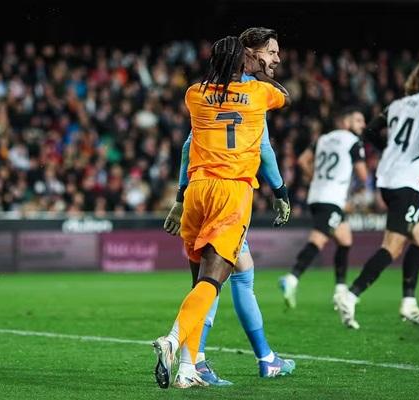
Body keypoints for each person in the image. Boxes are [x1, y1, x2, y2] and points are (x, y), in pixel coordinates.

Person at [153, 35, 291, 390]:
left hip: (196, 191)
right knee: (211, 283)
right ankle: (176, 341)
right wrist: (280, 191)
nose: (276, 58)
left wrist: (180, 198)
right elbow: (278, 112)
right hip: (231, 194)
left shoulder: (194, 94)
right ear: (249, 56)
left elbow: (188, 145)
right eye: (271, 53)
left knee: (237, 272)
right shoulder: (259, 95)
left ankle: (195, 367)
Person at [333, 59, 419, 329]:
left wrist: (392, 149)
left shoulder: (397, 104)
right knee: (392, 247)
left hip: (388, 178)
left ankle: (409, 303)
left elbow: (369, 130)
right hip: (406, 182)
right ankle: (351, 294)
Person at [278, 107, 368, 308]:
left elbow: (302, 160)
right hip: (332, 198)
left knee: (345, 240)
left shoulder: (323, 139)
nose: (362, 124)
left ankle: (340, 291)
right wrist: (349, 191)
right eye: (358, 120)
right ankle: (291, 278)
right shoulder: (353, 142)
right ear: (346, 123)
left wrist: (315, 177)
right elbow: (363, 175)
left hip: (317, 194)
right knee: (318, 239)